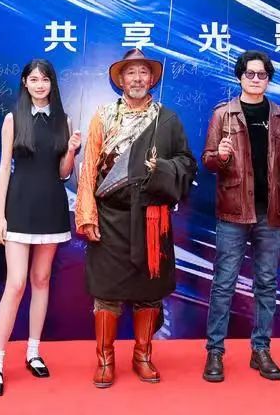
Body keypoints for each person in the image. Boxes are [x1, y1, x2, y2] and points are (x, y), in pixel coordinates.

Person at [75, 48, 197, 388]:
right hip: (110, 217)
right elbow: (89, 168)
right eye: (131, 72)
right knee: (106, 292)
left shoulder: (167, 120)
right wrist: (87, 214)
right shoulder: (103, 117)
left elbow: (187, 164)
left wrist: (162, 168)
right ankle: (105, 359)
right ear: (120, 79)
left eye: (144, 72)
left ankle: (143, 355)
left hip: (150, 219)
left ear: (152, 79)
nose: (138, 78)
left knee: (149, 291)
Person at [201, 50, 280, 383]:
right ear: (240, 77)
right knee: (224, 282)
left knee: (267, 283)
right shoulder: (223, 114)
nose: (256, 79)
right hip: (232, 211)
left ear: (268, 79)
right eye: (250, 74)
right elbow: (208, 161)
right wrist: (220, 155)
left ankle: (261, 350)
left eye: (262, 74)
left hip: (270, 213)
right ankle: (215, 352)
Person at [0, 59, 82, 396]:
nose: (40, 85)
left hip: (52, 206)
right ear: (25, 83)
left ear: (52, 83)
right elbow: (4, 170)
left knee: (41, 280)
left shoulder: (64, 120)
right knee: (16, 283)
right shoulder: (13, 118)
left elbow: (63, 173)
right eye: (34, 79)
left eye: (45, 79)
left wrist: (71, 150)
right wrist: (0, 216)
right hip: (19, 208)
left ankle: (33, 351)